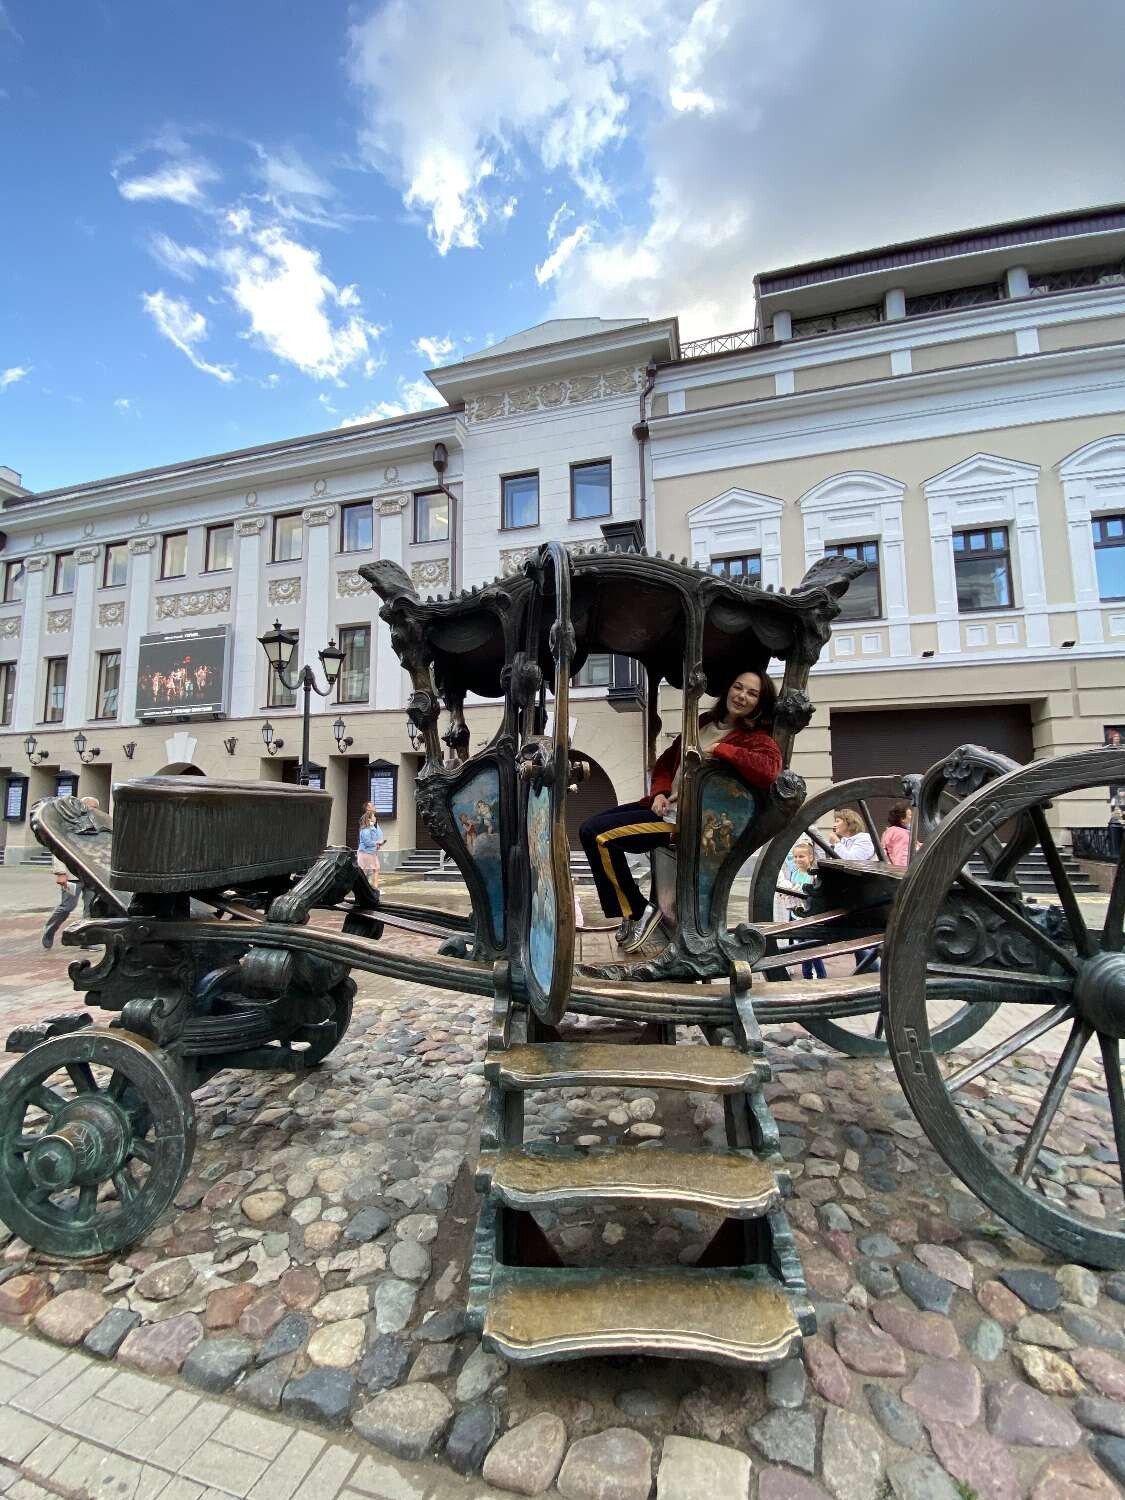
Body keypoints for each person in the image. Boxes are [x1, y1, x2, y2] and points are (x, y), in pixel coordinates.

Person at [579, 669, 781, 953]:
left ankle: (638, 912)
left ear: (760, 703)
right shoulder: (702, 722)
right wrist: (659, 792)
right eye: (739, 687)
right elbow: (665, 763)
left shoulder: (755, 738)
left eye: (752, 693)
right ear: (728, 690)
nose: (742, 696)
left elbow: (770, 769)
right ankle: (633, 910)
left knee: (599, 835)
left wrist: (722, 749)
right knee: (588, 828)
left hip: (687, 823)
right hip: (665, 809)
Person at [42, 796, 100, 950]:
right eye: (90, 806)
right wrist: (60, 873)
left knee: (91, 908)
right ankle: (49, 930)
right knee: (67, 906)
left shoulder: (95, 825)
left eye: (95, 807)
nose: (92, 810)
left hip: (90, 876)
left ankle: (87, 940)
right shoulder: (68, 825)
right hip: (71, 876)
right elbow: (58, 849)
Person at [357, 809, 386, 887]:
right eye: (373, 816)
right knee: (365, 873)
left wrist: (378, 844)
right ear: (369, 819)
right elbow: (368, 842)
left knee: (375, 869)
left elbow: (373, 841)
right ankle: (365, 889)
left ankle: (374, 888)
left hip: (372, 853)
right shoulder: (366, 830)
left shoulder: (372, 828)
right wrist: (377, 843)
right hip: (366, 853)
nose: (375, 817)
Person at [881, 802, 913, 867]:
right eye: (910, 815)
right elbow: (902, 859)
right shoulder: (902, 834)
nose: (913, 817)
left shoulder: (890, 832)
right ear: (902, 819)